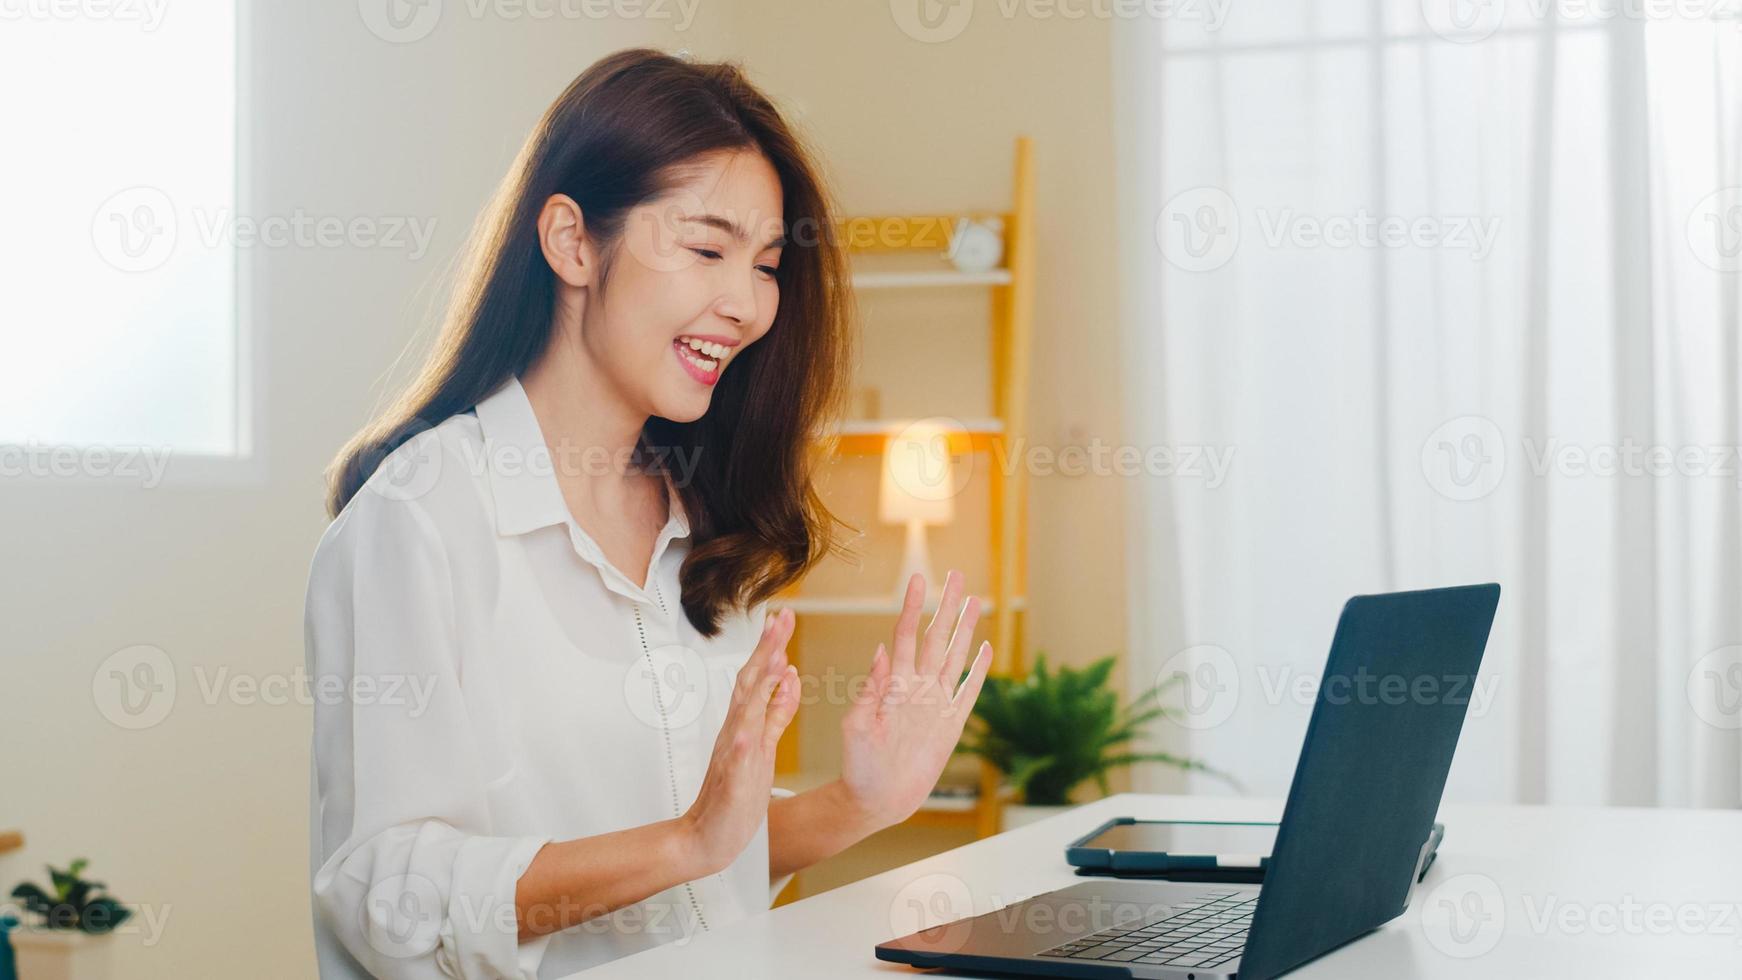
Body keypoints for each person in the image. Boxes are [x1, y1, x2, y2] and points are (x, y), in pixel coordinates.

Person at [303, 47, 993, 979]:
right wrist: (684, 842)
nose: (747, 306)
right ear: (572, 241)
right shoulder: (420, 518)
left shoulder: (700, 526)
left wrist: (859, 802)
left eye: (764, 265)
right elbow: (385, 892)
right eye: (707, 250)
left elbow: (712, 861)